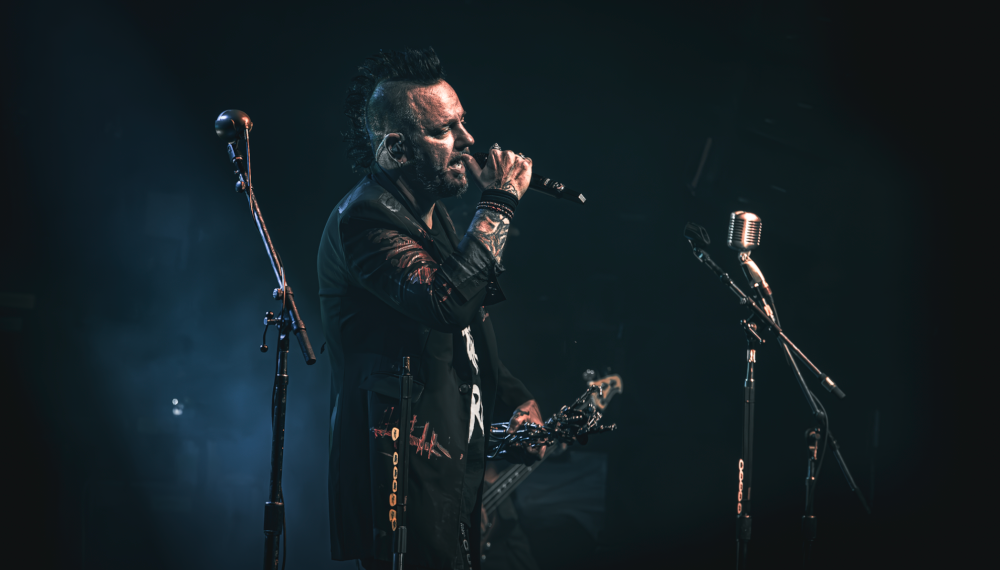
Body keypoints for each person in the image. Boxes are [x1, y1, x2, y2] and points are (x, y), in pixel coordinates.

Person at [318, 47, 545, 570]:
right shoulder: (364, 219)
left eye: (462, 122)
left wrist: (515, 399)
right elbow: (447, 305)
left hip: (450, 461)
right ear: (397, 148)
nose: (468, 140)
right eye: (445, 130)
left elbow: (467, 332)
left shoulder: (433, 214)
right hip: (400, 469)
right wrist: (499, 202)